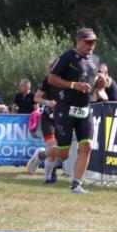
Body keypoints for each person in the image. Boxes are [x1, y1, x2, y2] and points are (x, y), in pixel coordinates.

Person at [48, 28, 100, 194]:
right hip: (65, 107)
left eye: (94, 42)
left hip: (85, 109)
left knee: (87, 147)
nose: (91, 45)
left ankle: (76, 185)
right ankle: (41, 156)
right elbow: (52, 79)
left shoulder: (95, 60)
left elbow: (92, 82)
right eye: (88, 42)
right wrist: (74, 85)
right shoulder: (67, 57)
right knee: (64, 153)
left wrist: (100, 82)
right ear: (79, 41)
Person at [28, 59, 63, 184]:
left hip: (64, 119)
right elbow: (36, 97)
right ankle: (47, 178)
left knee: (62, 152)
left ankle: (40, 155)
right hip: (49, 118)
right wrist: (48, 102)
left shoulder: (71, 81)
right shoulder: (48, 80)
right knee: (53, 148)